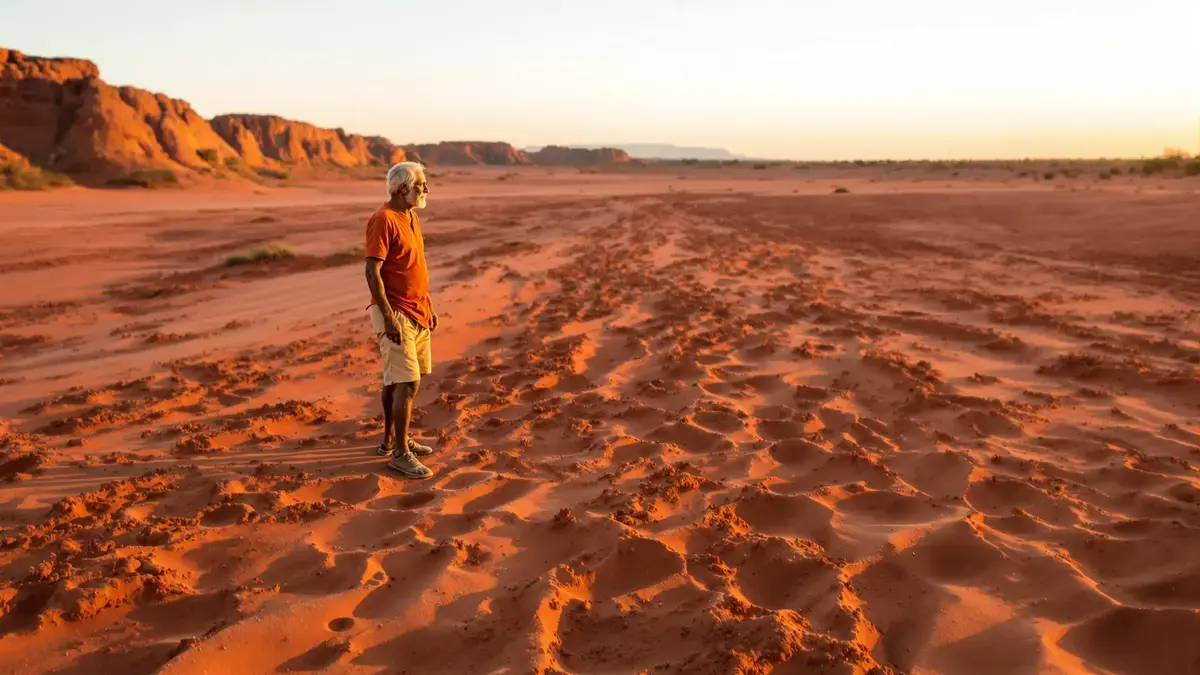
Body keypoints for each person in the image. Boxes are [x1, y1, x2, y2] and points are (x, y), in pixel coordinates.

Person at [364, 161, 437, 478]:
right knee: (407, 382)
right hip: (396, 312)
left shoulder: (411, 217)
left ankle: (393, 440)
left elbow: (415, 266)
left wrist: (428, 305)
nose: (426, 190)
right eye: (421, 184)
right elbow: (372, 271)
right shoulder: (383, 220)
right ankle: (400, 454)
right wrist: (389, 317)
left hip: (418, 310)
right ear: (402, 188)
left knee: (399, 380)